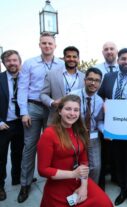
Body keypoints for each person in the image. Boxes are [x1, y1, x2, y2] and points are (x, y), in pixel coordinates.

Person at [37, 95, 113, 207]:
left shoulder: (79, 131)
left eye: (76, 110)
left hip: (79, 180)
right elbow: (43, 170)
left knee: (105, 203)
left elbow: (84, 163)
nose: (72, 113)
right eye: (68, 109)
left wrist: (83, 186)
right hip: (59, 183)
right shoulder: (49, 134)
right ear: (59, 111)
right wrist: (73, 174)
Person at [17, 32, 65, 203]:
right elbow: (22, 88)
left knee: (54, 146)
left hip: (54, 110)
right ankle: (25, 183)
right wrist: (24, 112)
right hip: (34, 108)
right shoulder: (30, 63)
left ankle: (55, 179)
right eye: (44, 43)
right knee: (30, 146)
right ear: (39, 45)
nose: (47, 46)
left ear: (55, 46)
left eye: (50, 43)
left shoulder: (62, 63)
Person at [98, 48, 127, 207]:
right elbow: (101, 97)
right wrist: (103, 105)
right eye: (123, 58)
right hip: (113, 127)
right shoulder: (108, 77)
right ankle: (123, 190)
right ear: (118, 60)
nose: (126, 61)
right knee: (118, 160)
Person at [70, 67, 104, 183]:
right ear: (84, 80)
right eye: (90, 79)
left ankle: (91, 189)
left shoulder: (100, 101)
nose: (93, 83)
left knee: (95, 167)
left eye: (97, 80)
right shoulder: (73, 95)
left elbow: (99, 121)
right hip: (74, 134)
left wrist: (105, 131)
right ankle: (75, 187)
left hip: (92, 136)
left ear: (100, 83)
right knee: (74, 164)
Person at [94, 41, 119, 189]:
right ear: (102, 52)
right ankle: (101, 179)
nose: (109, 51)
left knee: (116, 146)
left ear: (116, 51)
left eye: (112, 49)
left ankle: (116, 175)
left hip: (118, 114)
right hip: (100, 112)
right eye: (106, 49)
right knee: (102, 146)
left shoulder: (123, 67)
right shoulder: (96, 68)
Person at [0, 50, 24, 201]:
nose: (12, 63)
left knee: (18, 153)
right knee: (1, 156)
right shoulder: (0, 79)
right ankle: (0, 185)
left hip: (21, 123)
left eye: (15, 60)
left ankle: (17, 178)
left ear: (19, 61)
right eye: (8, 61)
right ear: (4, 63)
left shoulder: (24, 78)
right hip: (4, 124)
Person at [40, 46, 85, 124]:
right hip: (56, 119)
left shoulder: (84, 77)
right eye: (68, 56)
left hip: (76, 120)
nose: (71, 59)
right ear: (64, 58)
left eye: (74, 57)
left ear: (78, 59)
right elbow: (43, 94)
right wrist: (52, 102)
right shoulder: (51, 74)